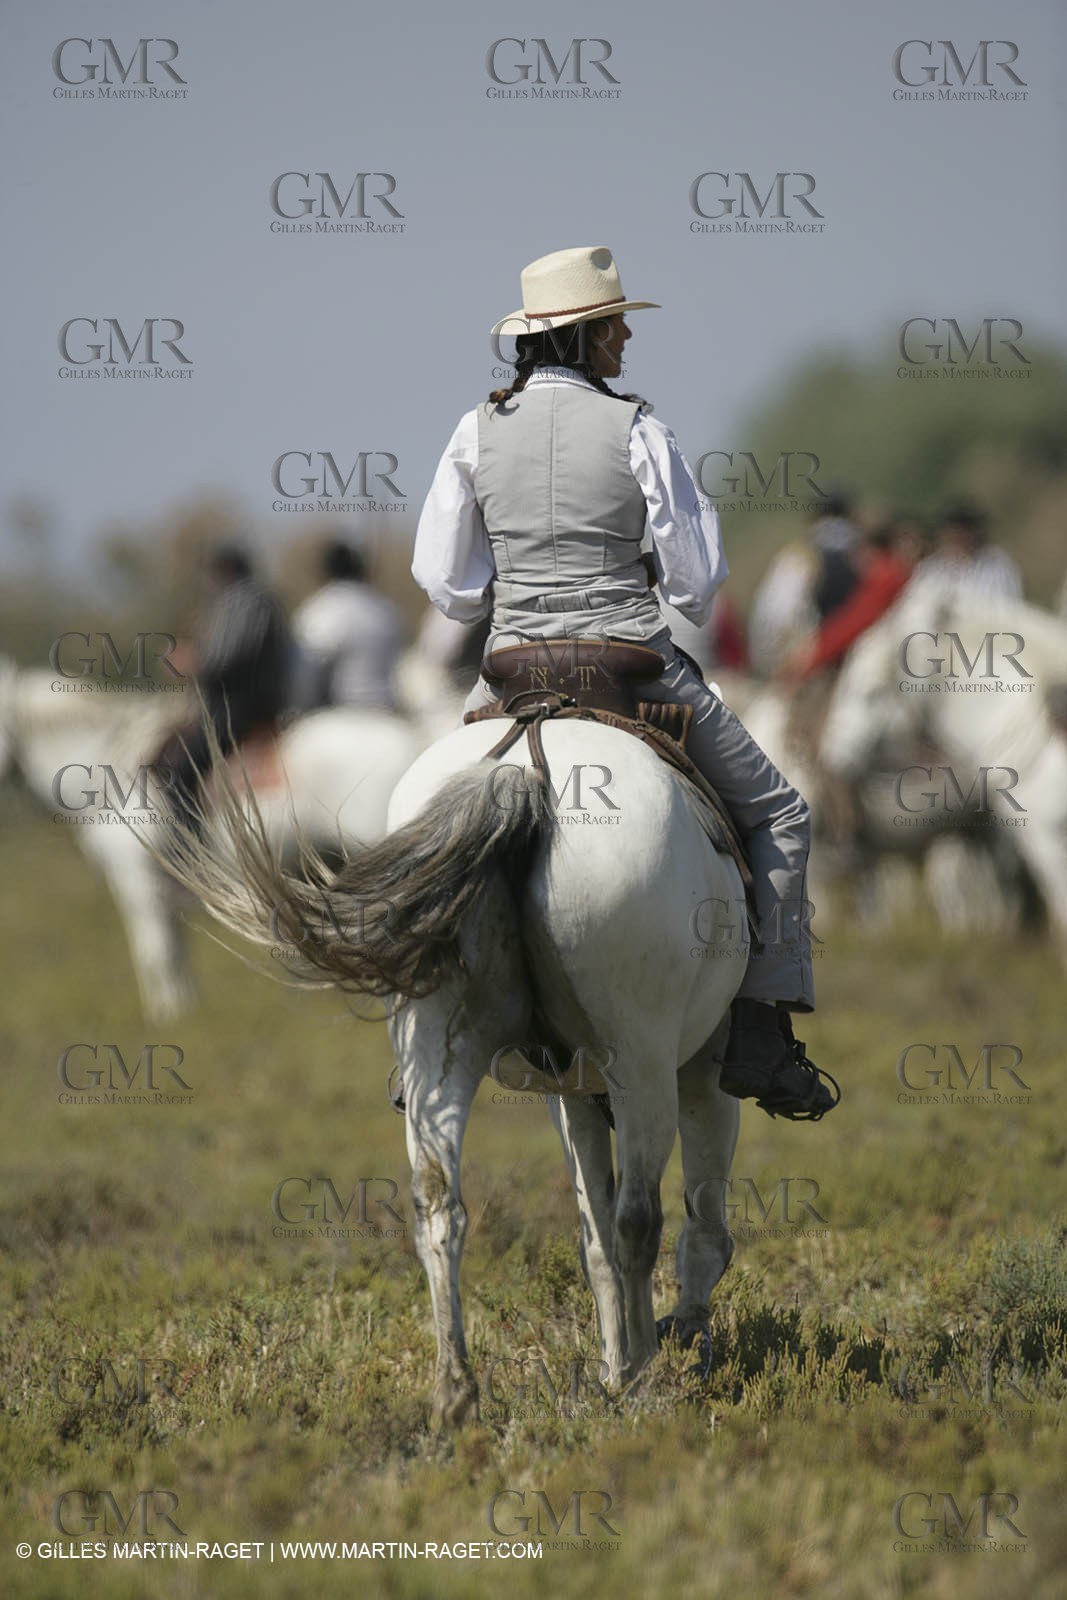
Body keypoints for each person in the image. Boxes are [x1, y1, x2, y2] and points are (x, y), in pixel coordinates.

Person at [411, 245, 838, 1121]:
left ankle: (425, 1033)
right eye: (617, 325)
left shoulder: (473, 429)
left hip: (511, 671)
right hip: (628, 664)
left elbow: (447, 588)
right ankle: (762, 1026)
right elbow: (694, 580)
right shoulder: (639, 426)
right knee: (781, 813)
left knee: (430, 826)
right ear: (586, 334)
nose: (627, 341)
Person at [161, 545, 292, 835]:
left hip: (237, 708)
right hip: (256, 703)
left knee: (181, 776)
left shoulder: (241, 601)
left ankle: (191, 856)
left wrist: (192, 663)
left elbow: (224, 658)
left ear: (223, 571)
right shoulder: (262, 599)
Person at [291, 539, 401, 711]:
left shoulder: (321, 608)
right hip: (387, 709)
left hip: (340, 709)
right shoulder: (386, 609)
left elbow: (305, 673)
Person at [915, 504, 1022, 604]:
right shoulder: (930, 569)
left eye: (964, 532)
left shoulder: (997, 565)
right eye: (953, 532)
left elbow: (1006, 605)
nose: (958, 537)